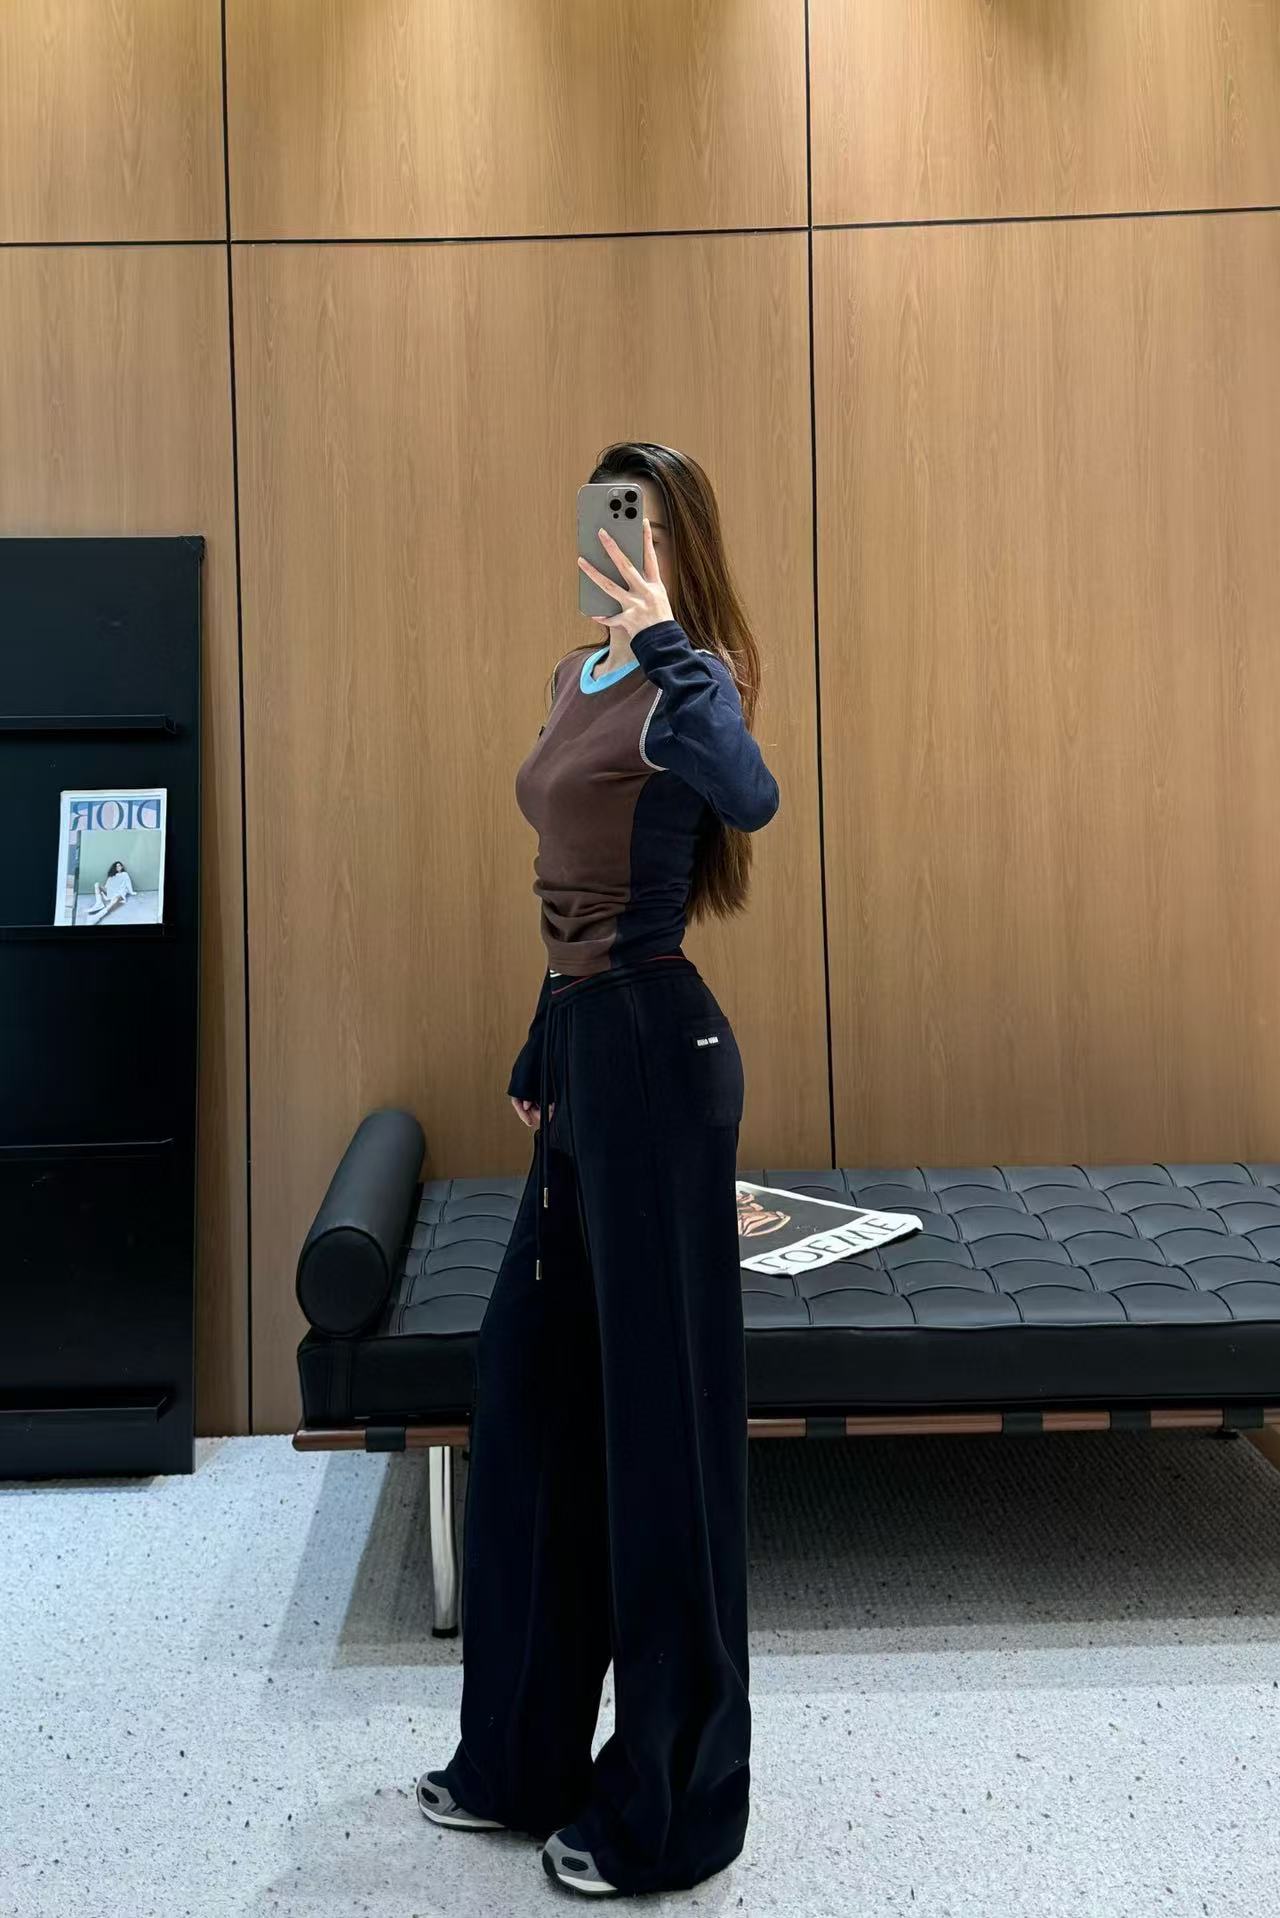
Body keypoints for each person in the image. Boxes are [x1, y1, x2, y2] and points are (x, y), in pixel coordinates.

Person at [417, 442, 781, 1898]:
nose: (613, 544)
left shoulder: (697, 682)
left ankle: (673, 1809)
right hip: (584, 1045)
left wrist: (670, 638)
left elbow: (749, 798)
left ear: (677, 545)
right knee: (528, 1396)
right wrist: (538, 1039)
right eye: (601, 517)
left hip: (658, 1055)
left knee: (662, 1438)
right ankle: (519, 1757)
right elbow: (566, 884)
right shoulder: (575, 681)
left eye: (639, 524)